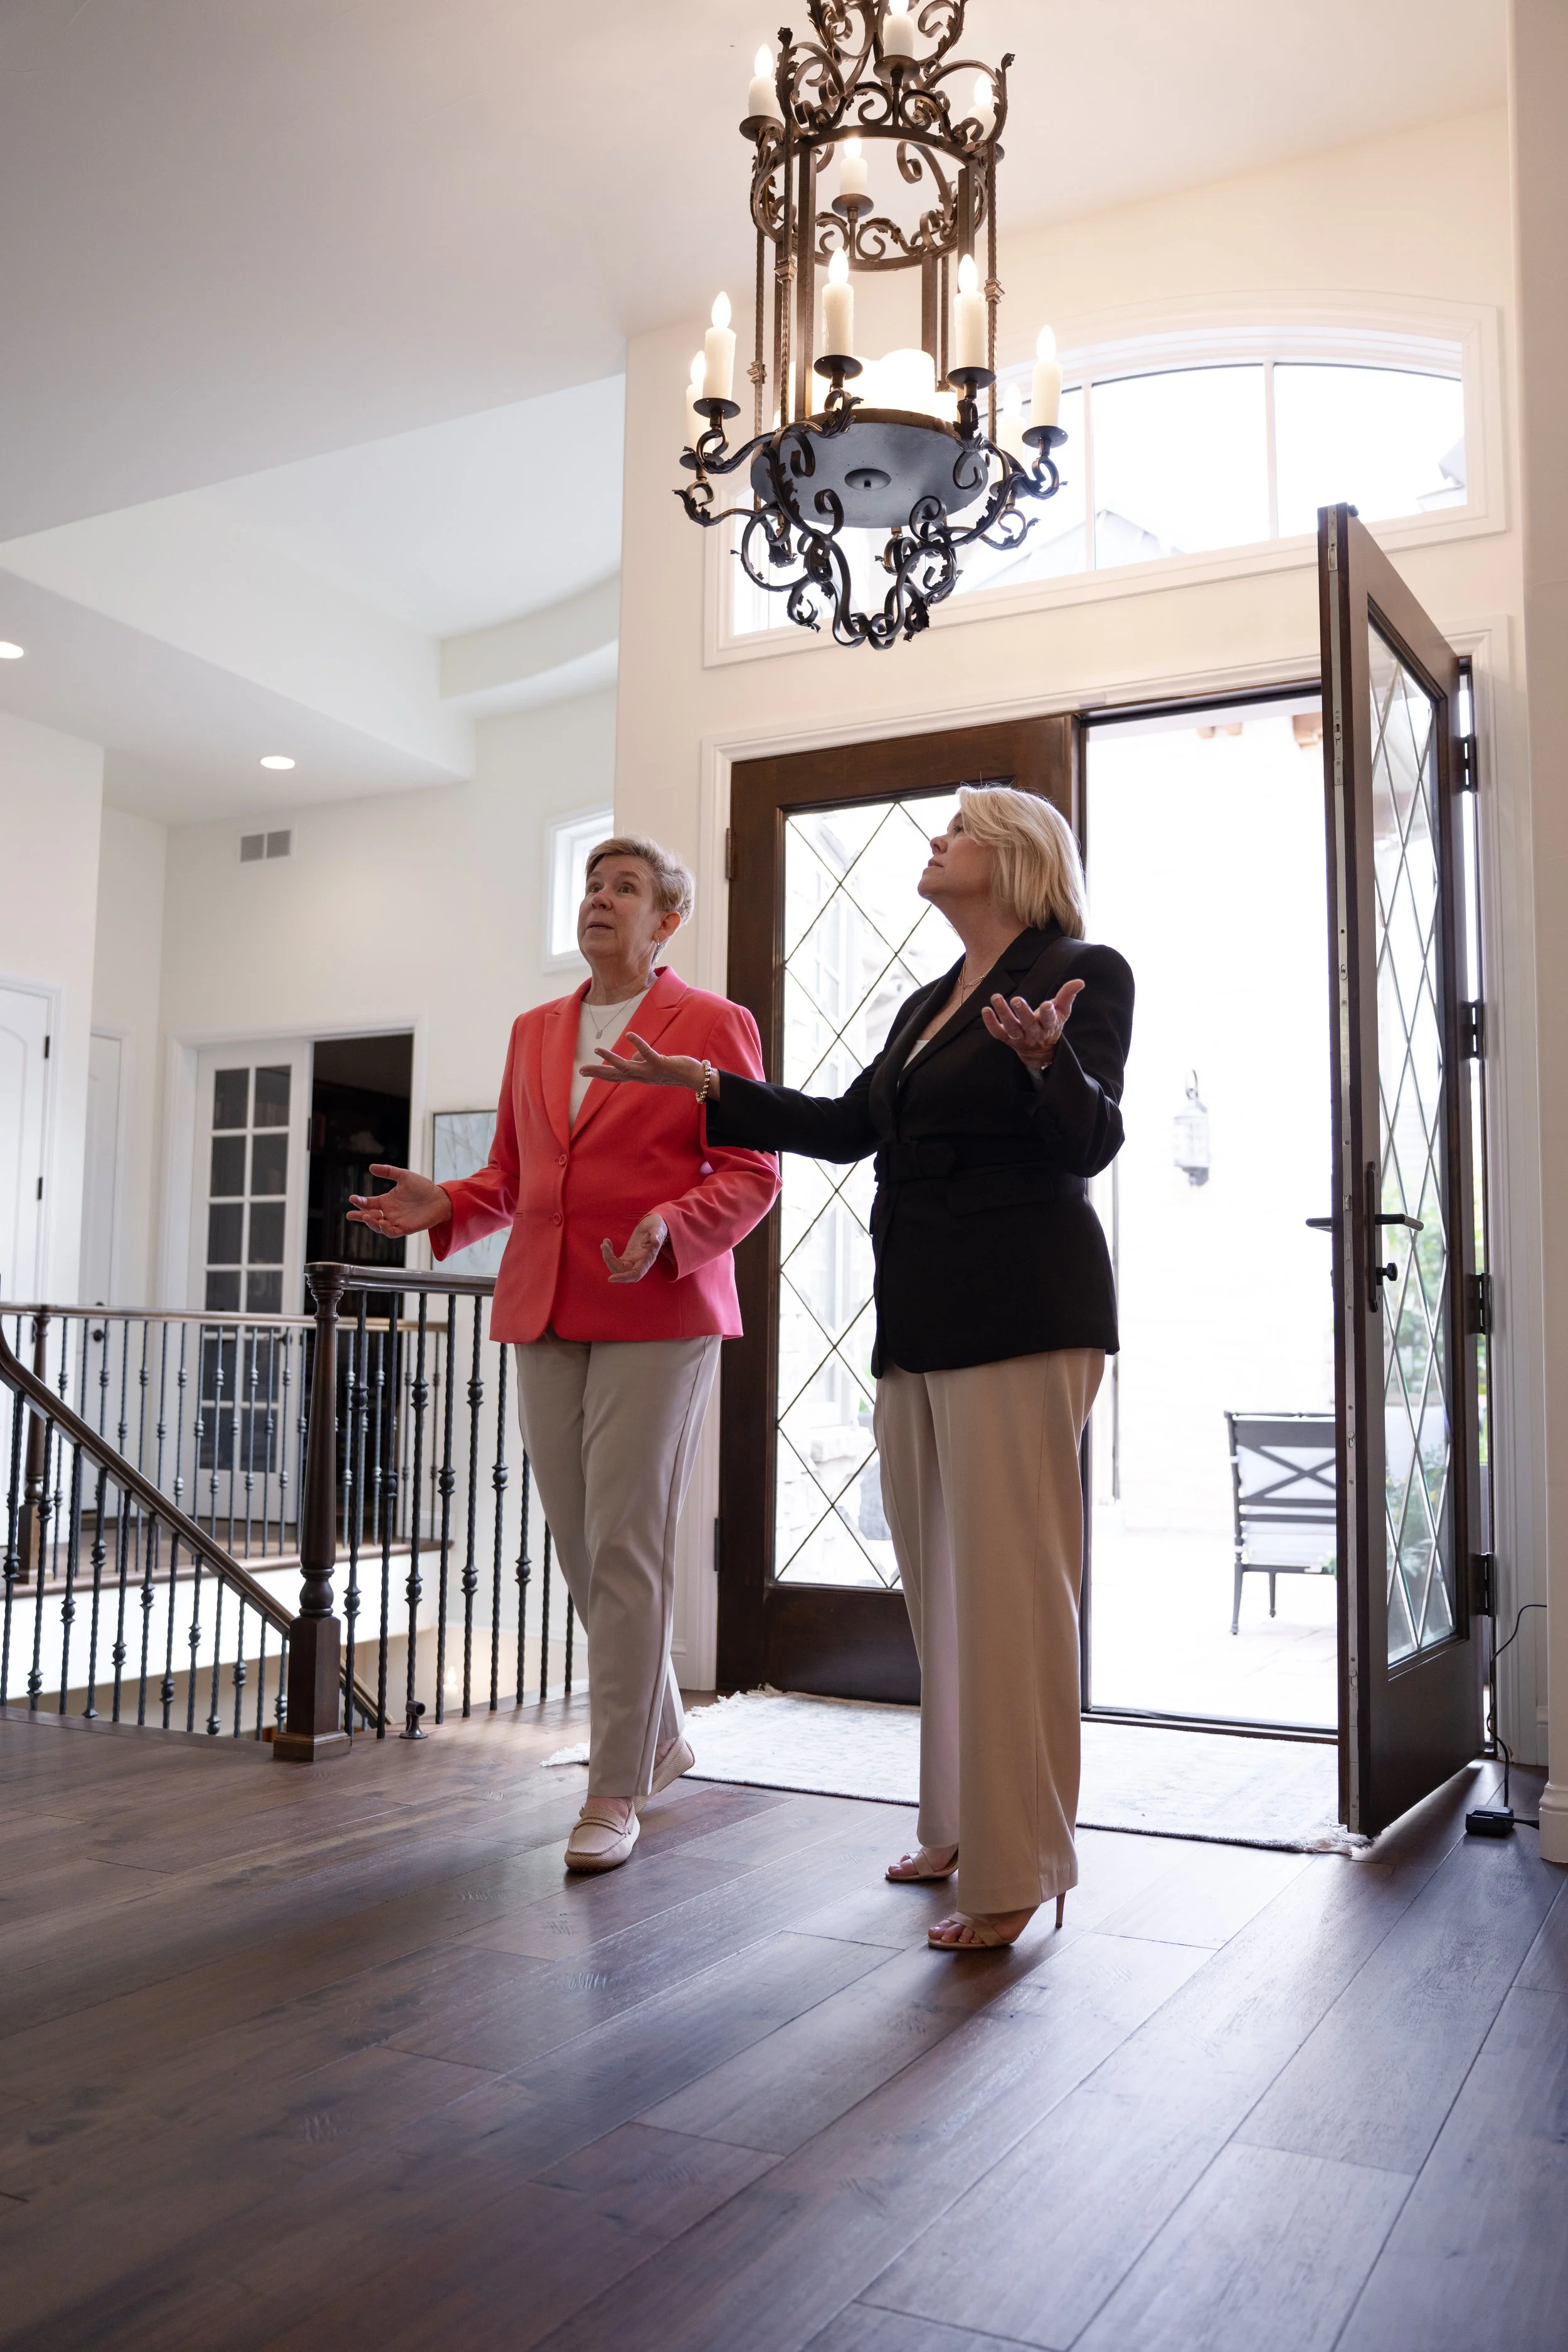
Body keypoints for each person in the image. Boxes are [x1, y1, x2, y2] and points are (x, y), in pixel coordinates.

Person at [586, 785, 1132, 1949]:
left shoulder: (1083, 968)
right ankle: (955, 1823)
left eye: (961, 829)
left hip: (1026, 1311)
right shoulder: (931, 1003)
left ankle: (1021, 1861)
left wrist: (1047, 1063)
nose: (935, 844)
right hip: (922, 1317)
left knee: (1011, 1593)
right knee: (938, 1589)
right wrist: (701, 1086)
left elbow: (1090, 1140)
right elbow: (845, 1125)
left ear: (1018, 857)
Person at [347, 835, 778, 1875]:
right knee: (585, 1546)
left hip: (658, 1305)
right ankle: (662, 1735)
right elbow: (515, 1171)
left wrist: (671, 1227)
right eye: (591, 884)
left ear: (666, 919)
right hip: (543, 1304)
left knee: (626, 1542)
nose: (599, 899)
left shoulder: (713, 1025)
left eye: (624, 887)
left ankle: (613, 1787)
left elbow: (751, 1169)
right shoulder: (535, 1030)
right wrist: (449, 1201)